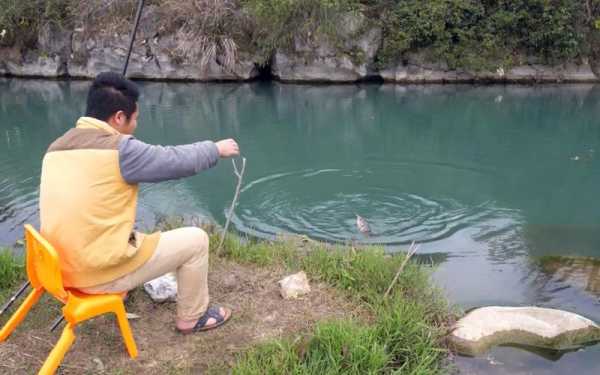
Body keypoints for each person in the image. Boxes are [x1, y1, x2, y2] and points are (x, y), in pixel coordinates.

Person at [39, 72, 238, 333]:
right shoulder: (121, 150)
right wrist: (215, 149)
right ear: (118, 118)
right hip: (94, 274)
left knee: (136, 235)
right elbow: (173, 160)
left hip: (56, 271)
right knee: (196, 241)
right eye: (135, 119)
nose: (135, 126)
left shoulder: (56, 148)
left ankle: (115, 283)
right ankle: (193, 317)